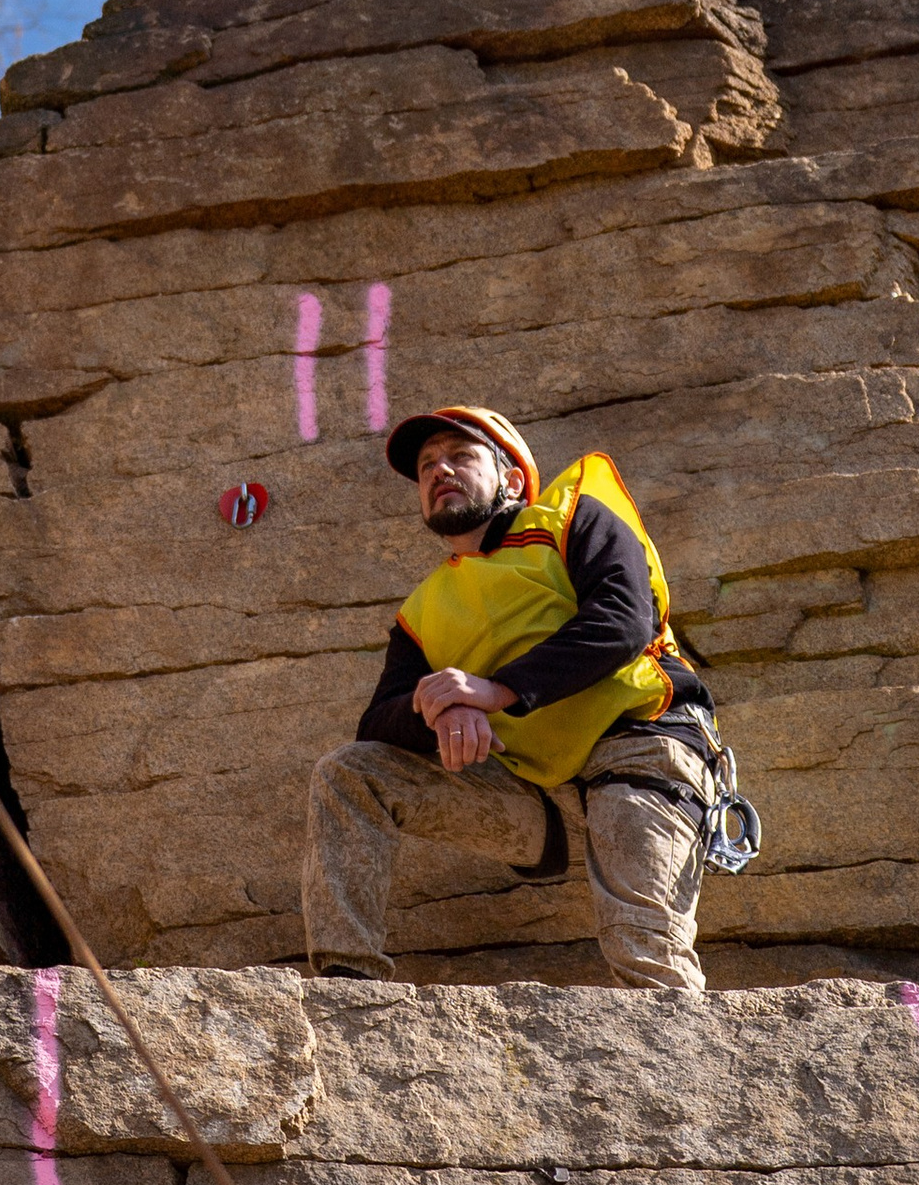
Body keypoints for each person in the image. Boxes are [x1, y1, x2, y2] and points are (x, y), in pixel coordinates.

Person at [301, 404, 743, 998]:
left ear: (511, 478)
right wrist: (441, 707)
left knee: (647, 962)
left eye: (460, 456)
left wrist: (492, 691)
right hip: (535, 797)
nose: (439, 471)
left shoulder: (573, 516)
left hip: (643, 746)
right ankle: (344, 987)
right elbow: (377, 722)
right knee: (350, 772)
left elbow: (623, 621)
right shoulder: (425, 608)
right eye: (427, 465)